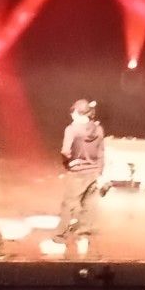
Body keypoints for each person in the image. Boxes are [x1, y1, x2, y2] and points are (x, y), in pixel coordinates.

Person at [52, 98, 108, 249]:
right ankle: (84, 233)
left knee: (69, 204)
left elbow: (65, 151)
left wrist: (67, 163)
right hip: (94, 172)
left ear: (77, 112)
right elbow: (101, 152)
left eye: (73, 112)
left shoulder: (72, 129)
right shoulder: (98, 129)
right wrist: (100, 172)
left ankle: (60, 236)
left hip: (77, 172)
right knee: (88, 204)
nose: (71, 114)